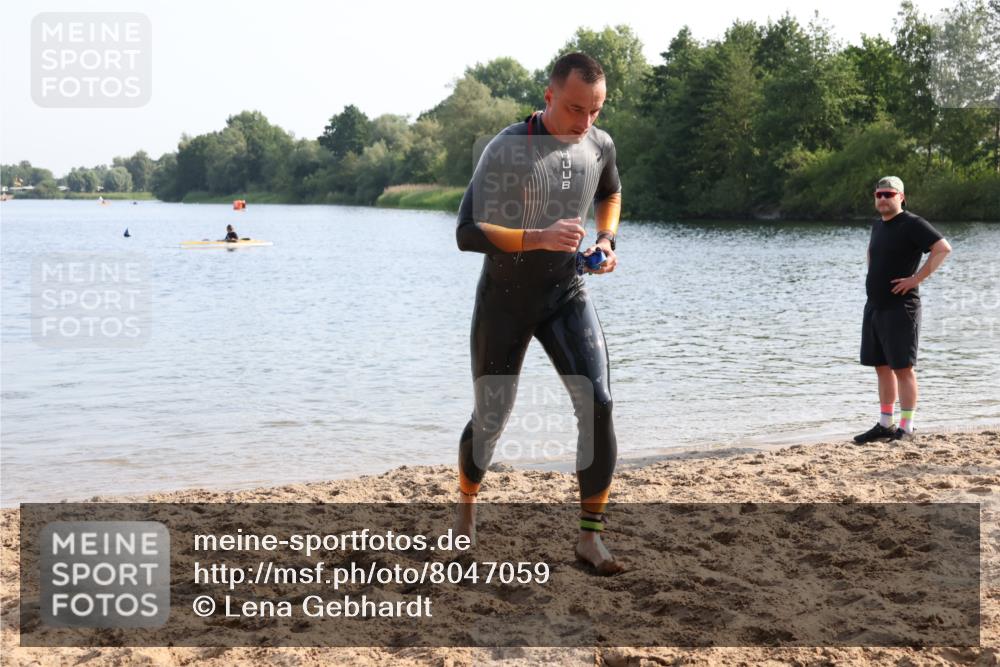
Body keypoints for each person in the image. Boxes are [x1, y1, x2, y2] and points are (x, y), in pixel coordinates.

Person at [454, 52, 624, 575]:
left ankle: (589, 540)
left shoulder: (599, 143)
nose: (586, 122)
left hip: (566, 294)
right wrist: (540, 237)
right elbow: (467, 233)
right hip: (505, 302)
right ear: (549, 96)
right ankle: (464, 513)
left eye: (595, 110)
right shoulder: (508, 149)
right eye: (575, 109)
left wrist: (605, 240)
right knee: (492, 418)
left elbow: (611, 191)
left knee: (598, 403)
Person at [854, 176, 951, 444]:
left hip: (901, 308)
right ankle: (886, 424)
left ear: (901, 197)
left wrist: (915, 280)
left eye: (889, 194)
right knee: (881, 366)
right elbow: (872, 255)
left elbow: (942, 249)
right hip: (875, 306)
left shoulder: (913, 224)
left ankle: (906, 428)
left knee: (903, 368)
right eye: (879, 194)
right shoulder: (878, 226)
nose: (883, 198)